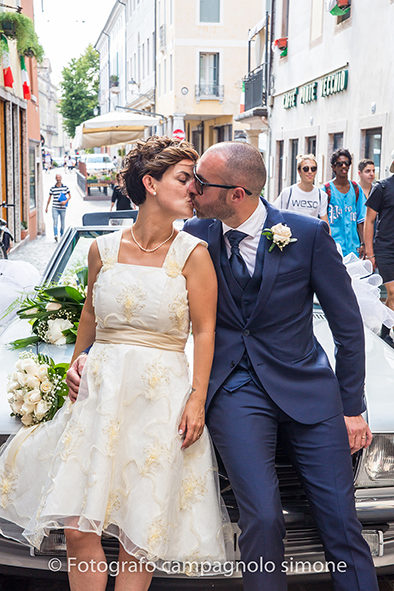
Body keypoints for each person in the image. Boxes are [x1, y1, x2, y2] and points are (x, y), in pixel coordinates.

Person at [68, 141, 378, 591]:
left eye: (202, 182)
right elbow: (120, 301)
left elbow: (348, 327)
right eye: (187, 179)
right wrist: (89, 359)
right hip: (235, 392)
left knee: (340, 518)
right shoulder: (193, 236)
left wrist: (352, 408)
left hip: (309, 391)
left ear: (236, 193)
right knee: (262, 517)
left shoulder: (307, 234)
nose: (193, 189)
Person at [0, 136, 231, 591]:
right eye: (184, 179)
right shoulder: (101, 250)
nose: (194, 191)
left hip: (159, 397)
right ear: (150, 183)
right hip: (98, 396)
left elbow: (205, 331)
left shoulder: (194, 256)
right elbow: (90, 311)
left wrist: (197, 399)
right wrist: (74, 360)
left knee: (136, 532)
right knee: (77, 527)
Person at [364, 150, 394, 348]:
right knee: (393, 292)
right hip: (386, 249)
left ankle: (384, 332)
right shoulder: (382, 187)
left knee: (392, 296)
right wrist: (370, 252)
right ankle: (386, 334)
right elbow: (369, 220)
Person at [321, 148, 366, 257]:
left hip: (353, 249)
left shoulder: (356, 189)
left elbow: (361, 220)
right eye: (340, 164)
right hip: (332, 249)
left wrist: (364, 244)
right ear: (333, 167)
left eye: (346, 163)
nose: (344, 166)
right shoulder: (325, 190)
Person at [274, 153, 329, 224]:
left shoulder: (321, 195)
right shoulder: (288, 193)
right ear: (299, 171)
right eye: (306, 169)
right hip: (290, 234)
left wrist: (328, 235)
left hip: (311, 234)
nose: (310, 172)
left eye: (313, 169)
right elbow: (275, 214)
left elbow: (325, 222)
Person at [45, 174, 71, 242]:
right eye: (57, 177)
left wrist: (65, 201)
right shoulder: (52, 188)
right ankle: (55, 235)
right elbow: (49, 198)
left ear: (61, 178)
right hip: (55, 208)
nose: (58, 179)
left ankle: (62, 235)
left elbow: (70, 196)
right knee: (55, 222)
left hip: (63, 208)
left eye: (59, 177)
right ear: (55, 179)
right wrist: (46, 207)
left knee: (62, 223)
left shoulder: (65, 187)